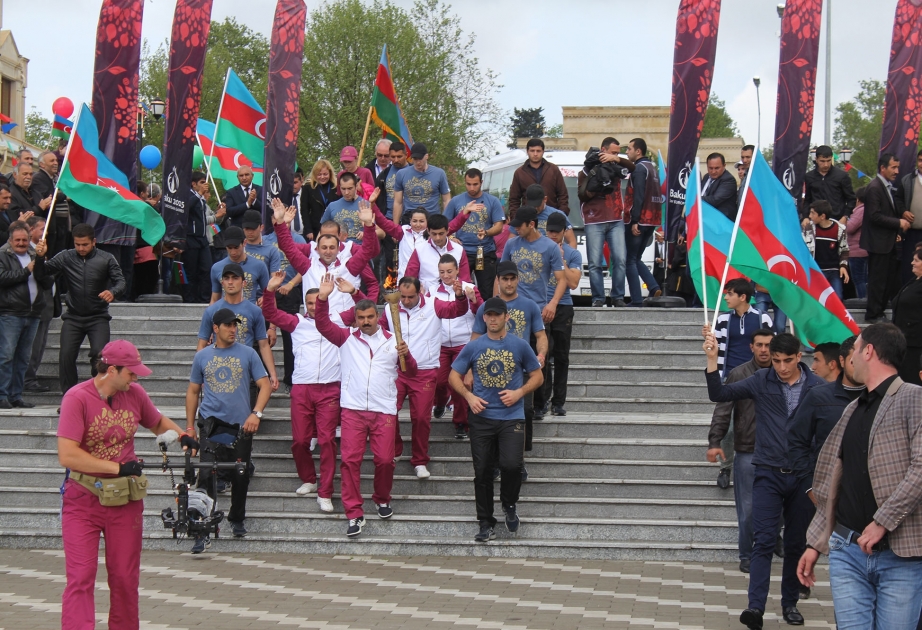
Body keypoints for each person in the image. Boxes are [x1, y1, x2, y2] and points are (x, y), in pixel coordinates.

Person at [57, 340, 195, 629]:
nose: (136, 378)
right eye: (130, 373)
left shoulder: (134, 393)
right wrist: (117, 467)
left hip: (124, 501)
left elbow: (156, 422)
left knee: (124, 577)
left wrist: (182, 435)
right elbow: (67, 455)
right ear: (111, 370)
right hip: (83, 499)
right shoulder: (76, 397)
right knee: (81, 577)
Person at [798, 324, 922, 630]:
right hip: (847, 550)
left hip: (901, 554)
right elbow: (832, 480)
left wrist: (882, 521)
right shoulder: (853, 408)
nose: (849, 356)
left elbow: (920, 467)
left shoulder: (913, 398)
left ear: (868, 351)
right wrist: (816, 543)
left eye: (854, 349)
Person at [703, 330, 825, 629]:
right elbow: (719, 394)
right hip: (768, 472)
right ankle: (754, 608)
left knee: (796, 542)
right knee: (764, 541)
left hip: (802, 477)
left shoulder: (818, 388)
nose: (781, 367)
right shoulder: (762, 380)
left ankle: (790, 604)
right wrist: (711, 359)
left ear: (800, 356)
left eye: (787, 360)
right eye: (776, 361)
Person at [314, 272, 415, 537]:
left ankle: (381, 497)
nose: (366, 322)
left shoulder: (394, 341)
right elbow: (323, 324)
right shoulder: (346, 338)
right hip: (353, 410)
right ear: (355, 319)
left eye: (370, 317)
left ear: (377, 316)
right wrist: (323, 299)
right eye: (361, 318)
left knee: (384, 460)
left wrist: (408, 357)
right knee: (350, 461)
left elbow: (411, 373)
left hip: (384, 411)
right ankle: (354, 513)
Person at [449, 296, 543, 542]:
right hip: (482, 418)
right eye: (488, 315)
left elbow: (538, 376)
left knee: (512, 465)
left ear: (506, 317)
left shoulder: (520, 345)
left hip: (511, 417)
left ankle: (509, 504)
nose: (492, 319)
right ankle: (485, 521)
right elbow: (453, 376)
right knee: (482, 472)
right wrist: (469, 397)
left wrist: (519, 392)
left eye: (496, 315)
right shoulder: (474, 346)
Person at [262, 271, 352, 509]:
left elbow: (367, 306)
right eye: (310, 303)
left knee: (326, 440)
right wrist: (270, 290)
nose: (313, 307)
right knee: (301, 441)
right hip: (302, 388)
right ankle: (309, 479)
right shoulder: (297, 322)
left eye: (317, 301)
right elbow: (269, 313)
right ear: (305, 304)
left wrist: (353, 290)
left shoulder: (340, 320)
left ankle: (325, 492)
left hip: (330, 388)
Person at [186, 308, 271, 551]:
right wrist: (190, 426)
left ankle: (236, 518)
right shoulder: (202, 356)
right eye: (228, 326)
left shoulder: (249, 353)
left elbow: (264, 385)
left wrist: (256, 413)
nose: (233, 330)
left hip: (241, 426)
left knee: (240, 475)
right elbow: (193, 391)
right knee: (206, 475)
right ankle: (201, 529)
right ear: (216, 328)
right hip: (211, 425)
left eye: (235, 325)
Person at [379, 275, 476, 478]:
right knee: (388, 412)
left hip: (424, 370)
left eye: (410, 297)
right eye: (402, 296)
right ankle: (396, 450)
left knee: (421, 418)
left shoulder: (433, 304)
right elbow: (380, 332)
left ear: (419, 292)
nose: (405, 301)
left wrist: (459, 297)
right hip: (396, 371)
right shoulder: (391, 308)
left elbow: (456, 311)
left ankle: (420, 460)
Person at [707, 328, 774, 574]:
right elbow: (722, 409)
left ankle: (770, 539)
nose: (764, 350)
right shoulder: (740, 373)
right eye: (760, 345)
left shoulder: (784, 373)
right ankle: (747, 554)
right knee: (747, 509)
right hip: (747, 450)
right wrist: (715, 441)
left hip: (778, 452)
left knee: (779, 507)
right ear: (752, 347)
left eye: (768, 345)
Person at [470, 261, 546, 465]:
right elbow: (475, 338)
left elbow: (540, 335)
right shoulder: (487, 307)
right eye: (505, 279)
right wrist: (470, 370)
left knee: (526, 410)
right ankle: (494, 460)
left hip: (521, 370)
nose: (509, 283)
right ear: (498, 280)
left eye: (513, 279)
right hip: (490, 370)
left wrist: (541, 354)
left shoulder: (530, 305)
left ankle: (519, 458)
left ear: (518, 280)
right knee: (491, 416)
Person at [34, 224, 125, 394]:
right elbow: (42, 274)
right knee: (66, 356)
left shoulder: (106, 258)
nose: (81, 248)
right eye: (77, 244)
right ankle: (70, 396)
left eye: (85, 244)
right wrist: (40, 257)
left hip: (98, 316)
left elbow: (121, 282)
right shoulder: (66, 257)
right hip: (73, 317)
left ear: (94, 242)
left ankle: (97, 392)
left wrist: (113, 292)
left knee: (100, 355)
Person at [502, 205, 566, 418]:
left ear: (531, 224)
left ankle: (540, 402)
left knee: (539, 357)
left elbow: (561, 279)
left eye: (519, 226)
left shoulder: (550, 247)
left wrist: (553, 303)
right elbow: (499, 276)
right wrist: (497, 303)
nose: (515, 229)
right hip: (512, 310)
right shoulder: (511, 244)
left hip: (538, 309)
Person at [273, 199, 379, 324]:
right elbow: (288, 247)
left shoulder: (350, 265)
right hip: (313, 324)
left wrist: (368, 225)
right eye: (324, 247)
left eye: (332, 247)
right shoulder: (307, 266)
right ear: (316, 248)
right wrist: (281, 223)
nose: (328, 251)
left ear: (339, 247)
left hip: (342, 325)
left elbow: (368, 250)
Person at [789, 336, 864, 513]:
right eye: (854, 360)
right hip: (825, 490)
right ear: (842, 361)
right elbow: (796, 441)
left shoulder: (879, 397)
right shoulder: (818, 397)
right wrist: (809, 486)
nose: (860, 365)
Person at [0, 221, 53, 408]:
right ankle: (2, 395)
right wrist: (25, 271)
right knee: (6, 356)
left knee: (23, 357)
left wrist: (39, 261)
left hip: (33, 314)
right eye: (18, 240)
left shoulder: (34, 254)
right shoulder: (2, 255)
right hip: (10, 313)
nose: (22, 243)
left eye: (24, 240)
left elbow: (46, 281)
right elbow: (2, 278)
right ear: (10, 240)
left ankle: (15, 395)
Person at [432, 254, 484, 438]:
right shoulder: (431, 291)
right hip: (441, 343)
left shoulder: (469, 288)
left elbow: (483, 313)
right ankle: (439, 402)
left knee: (460, 384)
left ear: (457, 270)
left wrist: (474, 300)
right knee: (439, 381)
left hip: (463, 343)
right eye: (442, 272)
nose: (446, 275)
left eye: (449, 271)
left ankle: (461, 423)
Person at [577, 137, 632, 307]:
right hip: (594, 219)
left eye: (618, 153)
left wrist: (616, 160)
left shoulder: (617, 166)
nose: (615, 155)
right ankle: (598, 299)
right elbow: (581, 194)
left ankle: (618, 297)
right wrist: (596, 184)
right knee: (594, 263)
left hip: (616, 219)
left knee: (620, 259)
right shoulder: (588, 169)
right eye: (613, 152)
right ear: (603, 149)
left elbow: (634, 168)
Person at [863, 153, 911, 323]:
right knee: (878, 280)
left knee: (889, 279)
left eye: (898, 167)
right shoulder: (875, 187)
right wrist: (898, 223)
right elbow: (874, 216)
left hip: (888, 242)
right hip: (878, 243)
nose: (897, 171)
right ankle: (873, 314)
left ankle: (880, 311)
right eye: (893, 167)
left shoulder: (887, 187)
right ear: (882, 168)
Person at [541, 212, 581, 416]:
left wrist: (561, 259)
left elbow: (573, 283)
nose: (553, 236)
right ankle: (542, 402)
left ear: (565, 232)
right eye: (550, 232)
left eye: (557, 232)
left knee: (562, 357)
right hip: (542, 305)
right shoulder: (540, 249)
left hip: (563, 307)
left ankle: (558, 402)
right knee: (543, 355)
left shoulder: (572, 254)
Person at [444, 168, 506, 294]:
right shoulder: (456, 201)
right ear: (465, 182)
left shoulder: (492, 201)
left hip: (485, 251)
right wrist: (451, 238)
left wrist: (487, 232)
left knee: (486, 291)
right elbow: (444, 225)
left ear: (481, 182)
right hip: (461, 252)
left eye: (475, 184)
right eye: (468, 184)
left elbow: (499, 226)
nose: (472, 188)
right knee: (459, 288)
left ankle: (483, 313)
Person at [624, 137, 664, 305]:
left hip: (640, 220)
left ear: (638, 151)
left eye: (629, 149)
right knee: (636, 258)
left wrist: (634, 220)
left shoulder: (639, 169)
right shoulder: (652, 168)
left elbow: (639, 196)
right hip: (652, 220)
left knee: (629, 260)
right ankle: (654, 287)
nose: (626, 152)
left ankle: (636, 300)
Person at [24, 216, 56, 393]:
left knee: (40, 345)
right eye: (42, 228)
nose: (46, 232)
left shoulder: (41, 250)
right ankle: (27, 379)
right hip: (34, 307)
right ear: (30, 230)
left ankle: (30, 377)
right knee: (33, 346)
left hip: (46, 306)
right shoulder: (26, 252)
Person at [404, 213, 471, 292]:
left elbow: (465, 279)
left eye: (441, 234)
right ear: (428, 231)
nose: (437, 238)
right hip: (427, 297)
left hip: (454, 296)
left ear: (447, 231)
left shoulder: (459, 250)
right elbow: (409, 278)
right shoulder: (419, 250)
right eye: (434, 234)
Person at [508, 138, 570, 217]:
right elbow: (514, 199)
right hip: (528, 217)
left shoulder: (553, 169)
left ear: (543, 152)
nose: (535, 154)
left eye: (538, 151)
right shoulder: (519, 172)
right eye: (532, 151)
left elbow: (563, 195)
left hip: (551, 217)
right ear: (527, 152)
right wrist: (516, 219)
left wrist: (562, 215)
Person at [209, 226, 270, 305]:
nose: (233, 252)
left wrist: (265, 298)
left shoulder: (259, 265)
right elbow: (214, 299)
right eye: (229, 248)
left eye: (236, 247)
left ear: (244, 243)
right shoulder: (216, 268)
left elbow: (269, 295)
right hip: (225, 314)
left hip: (250, 314)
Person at [392, 142, 451, 223]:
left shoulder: (439, 173)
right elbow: (398, 202)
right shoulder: (401, 174)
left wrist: (446, 222)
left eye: (420, 158)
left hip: (432, 218)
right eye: (415, 159)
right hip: (410, 218)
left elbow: (446, 200)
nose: (418, 162)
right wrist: (395, 227)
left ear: (426, 156)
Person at [181, 172, 217, 303]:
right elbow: (186, 208)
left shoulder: (201, 199)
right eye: (202, 182)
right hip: (191, 238)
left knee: (207, 269)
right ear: (193, 184)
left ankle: (204, 298)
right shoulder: (189, 196)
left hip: (203, 239)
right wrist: (199, 194)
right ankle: (189, 299)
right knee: (191, 270)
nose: (205, 185)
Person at [804, 200, 849, 299]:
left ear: (822, 216)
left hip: (833, 271)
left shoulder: (839, 229)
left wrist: (843, 266)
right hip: (816, 271)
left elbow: (844, 250)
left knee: (837, 298)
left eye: (813, 213)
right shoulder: (809, 228)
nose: (810, 216)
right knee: (816, 299)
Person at [891, 246, 922, 385]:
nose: (912, 263)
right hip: (904, 340)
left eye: (916, 260)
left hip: (916, 342)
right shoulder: (913, 281)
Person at [509, 184, 576, 247]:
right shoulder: (521, 215)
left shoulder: (558, 215)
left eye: (537, 204)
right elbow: (511, 241)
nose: (535, 208)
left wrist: (567, 258)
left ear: (545, 199)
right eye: (532, 204)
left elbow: (572, 242)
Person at [802, 145, 856, 222]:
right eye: (822, 161)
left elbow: (851, 199)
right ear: (816, 159)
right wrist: (805, 217)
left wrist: (845, 216)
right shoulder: (809, 177)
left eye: (828, 160)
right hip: (816, 221)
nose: (826, 165)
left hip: (837, 220)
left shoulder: (842, 176)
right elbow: (807, 200)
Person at [31, 150, 69, 257]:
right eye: (51, 161)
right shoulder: (39, 178)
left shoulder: (52, 179)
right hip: (48, 225)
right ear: (42, 164)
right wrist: (65, 195)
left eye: (56, 160)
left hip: (58, 225)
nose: (55, 163)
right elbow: (49, 197)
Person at [895, 150, 922, 284]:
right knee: (911, 266)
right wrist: (904, 211)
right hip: (912, 232)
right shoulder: (907, 180)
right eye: (920, 160)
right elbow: (897, 199)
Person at [321, 172, 369, 242]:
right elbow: (322, 231)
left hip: (359, 248)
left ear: (356, 186)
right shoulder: (332, 206)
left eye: (350, 188)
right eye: (343, 189)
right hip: (338, 249)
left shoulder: (365, 205)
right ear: (339, 187)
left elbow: (381, 232)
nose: (346, 192)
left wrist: (366, 234)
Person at [303, 159, 340, 238]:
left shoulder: (336, 187)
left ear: (330, 173)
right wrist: (308, 230)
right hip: (315, 228)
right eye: (319, 174)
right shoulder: (308, 187)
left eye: (325, 174)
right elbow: (304, 210)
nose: (322, 177)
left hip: (333, 227)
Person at [240, 209, 282, 274]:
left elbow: (274, 277)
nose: (250, 232)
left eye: (253, 228)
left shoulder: (272, 251)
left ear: (261, 228)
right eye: (247, 228)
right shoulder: (237, 248)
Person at [846, 186, 869, 299]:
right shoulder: (870, 209)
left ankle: (862, 301)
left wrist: (845, 220)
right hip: (865, 249)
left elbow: (850, 227)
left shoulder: (861, 210)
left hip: (857, 250)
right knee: (864, 279)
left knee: (859, 279)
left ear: (858, 199)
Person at [701, 153, 739, 221]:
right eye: (710, 168)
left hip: (721, 223)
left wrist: (694, 199)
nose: (713, 171)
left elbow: (715, 200)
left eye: (717, 168)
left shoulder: (728, 180)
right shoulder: (706, 177)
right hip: (705, 219)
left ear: (724, 166)